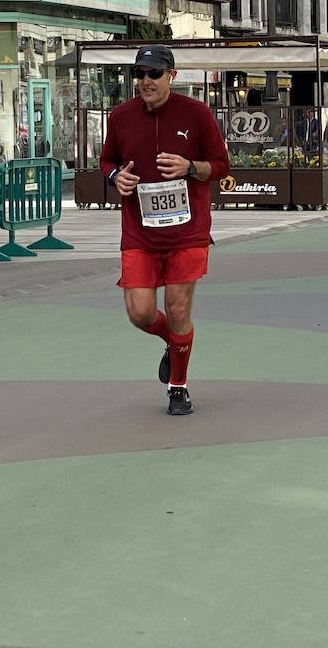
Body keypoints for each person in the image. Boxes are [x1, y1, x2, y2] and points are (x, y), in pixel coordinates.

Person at [100, 45, 231, 417]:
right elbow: (106, 159)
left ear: (172, 75)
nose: (145, 81)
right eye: (139, 74)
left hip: (187, 231)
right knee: (140, 313)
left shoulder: (197, 113)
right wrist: (115, 177)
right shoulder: (121, 116)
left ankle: (178, 386)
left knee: (177, 308)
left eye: (153, 73)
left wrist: (190, 166)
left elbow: (221, 166)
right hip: (140, 231)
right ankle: (172, 342)